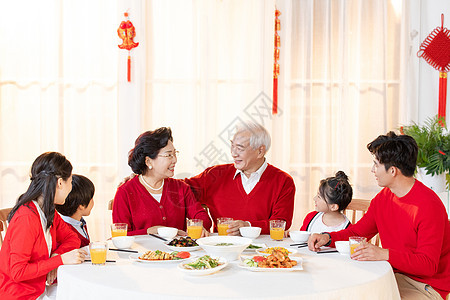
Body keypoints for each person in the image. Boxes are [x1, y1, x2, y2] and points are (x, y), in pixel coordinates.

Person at [308, 131, 450, 299]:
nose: (372, 170)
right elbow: (357, 233)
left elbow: (428, 265)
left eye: (376, 164)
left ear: (392, 171)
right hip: (389, 276)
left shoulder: (428, 205)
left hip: (425, 286)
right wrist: (327, 238)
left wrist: (384, 254)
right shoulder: (383, 198)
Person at [0, 152, 87, 300]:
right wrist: (59, 261)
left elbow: (72, 238)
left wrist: (56, 256)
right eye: (70, 182)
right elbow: (18, 272)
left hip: (38, 290)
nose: (71, 188)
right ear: (60, 183)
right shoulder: (26, 218)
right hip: (20, 295)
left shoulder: (48, 211)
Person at [184, 121, 296, 235]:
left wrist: (247, 226)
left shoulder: (283, 181)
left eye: (240, 148)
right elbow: (179, 189)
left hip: (262, 250)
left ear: (260, 151)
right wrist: (165, 167)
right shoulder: (215, 175)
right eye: (232, 146)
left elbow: (281, 223)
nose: (233, 153)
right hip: (222, 248)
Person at [113, 127, 212, 236]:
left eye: (175, 154)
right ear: (148, 161)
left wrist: (200, 227)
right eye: (169, 155)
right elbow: (120, 235)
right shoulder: (125, 192)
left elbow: (201, 216)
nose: (175, 160)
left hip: (178, 252)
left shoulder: (180, 187)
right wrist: (149, 231)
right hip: (140, 253)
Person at [55, 174, 95, 248]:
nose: (93, 201)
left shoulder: (80, 223)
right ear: (82, 205)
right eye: (91, 198)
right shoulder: (64, 230)